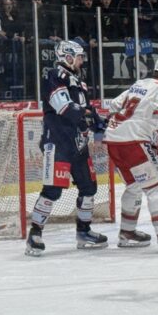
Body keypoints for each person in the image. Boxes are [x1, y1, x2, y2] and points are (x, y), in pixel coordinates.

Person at [24, 39, 109, 256]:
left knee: (89, 188)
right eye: (79, 57)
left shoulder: (79, 82)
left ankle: (84, 232)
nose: (82, 61)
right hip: (58, 143)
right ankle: (35, 234)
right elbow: (65, 108)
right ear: (68, 56)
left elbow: (85, 108)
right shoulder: (54, 75)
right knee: (53, 191)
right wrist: (89, 116)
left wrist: (97, 119)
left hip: (78, 144)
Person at [103, 54, 158, 253]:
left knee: (134, 185)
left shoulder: (138, 84)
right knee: (155, 187)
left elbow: (113, 105)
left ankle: (127, 233)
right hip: (133, 141)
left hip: (112, 139)